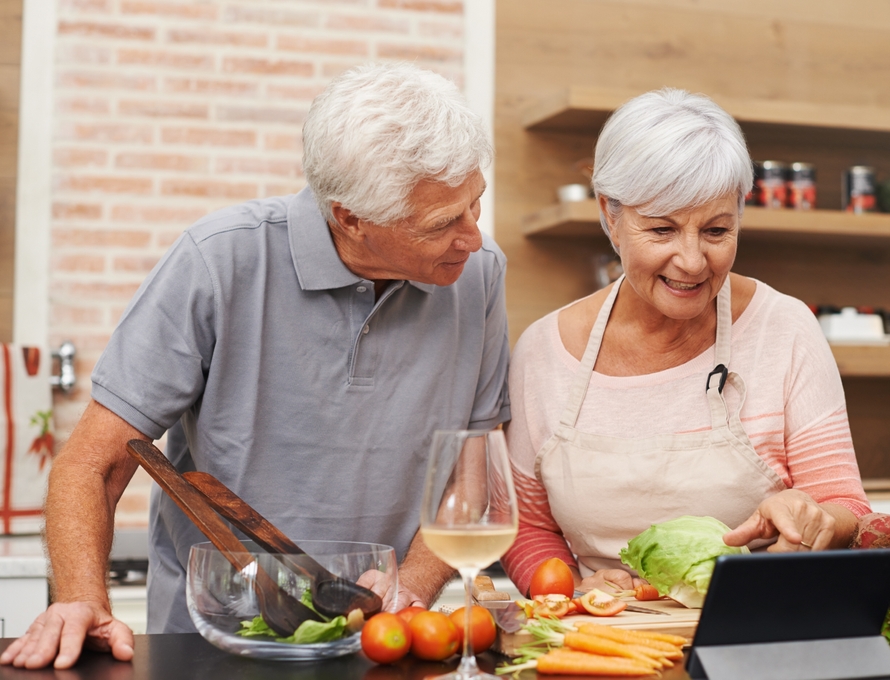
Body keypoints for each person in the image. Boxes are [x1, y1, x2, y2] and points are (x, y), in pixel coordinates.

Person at [1, 62, 510, 670]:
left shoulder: (479, 275)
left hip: (381, 647)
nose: (473, 237)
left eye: (474, 204)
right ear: (349, 217)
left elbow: (472, 466)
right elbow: (94, 461)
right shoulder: (219, 261)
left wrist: (413, 588)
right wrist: (82, 600)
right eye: (442, 224)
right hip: (209, 642)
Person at [499, 88, 871, 597]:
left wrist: (814, 519)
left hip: (752, 629)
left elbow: (845, 505)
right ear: (610, 214)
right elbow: (527, 527)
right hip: (602, 645)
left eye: (717, 231)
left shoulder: (785, 329)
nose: (693, 261)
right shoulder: (544, 351)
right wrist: (565, 589)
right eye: (662, 230)